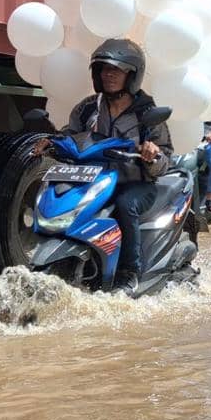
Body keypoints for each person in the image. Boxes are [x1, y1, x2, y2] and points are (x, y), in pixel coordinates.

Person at [32, 39, 173, 293]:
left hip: (136, 183)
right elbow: (71, 135)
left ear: (132, 75)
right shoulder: (88, 108)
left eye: (115, 70)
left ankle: (130, 273)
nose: (108, 75)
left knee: (125, 205)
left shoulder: (146, 112)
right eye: (103, 69)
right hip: (94, 180)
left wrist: (152, 154)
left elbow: (164, 158)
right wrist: (51, 141)